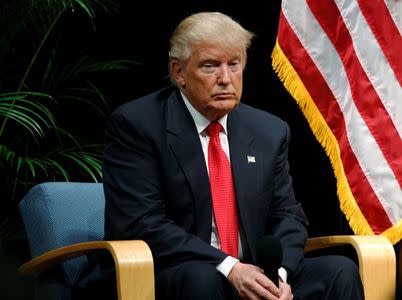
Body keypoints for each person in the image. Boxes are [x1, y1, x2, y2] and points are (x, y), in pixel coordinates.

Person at [103, 11, 364, 300]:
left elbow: (288, 215)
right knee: (203, 279)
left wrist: (277, 275)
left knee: (339, 270)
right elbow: (142, 223)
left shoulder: (268, 131)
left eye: (234, 65)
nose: (225, 79)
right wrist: (230, 267)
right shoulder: (137, 125)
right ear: (179, 73)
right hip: (173, 271)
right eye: (210, 66)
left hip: (253, 273)